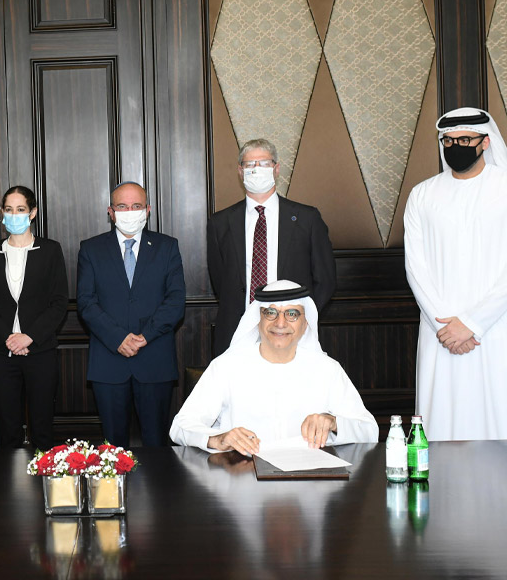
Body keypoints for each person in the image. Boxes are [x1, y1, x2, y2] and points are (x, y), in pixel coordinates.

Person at [170, 280, 377, 454]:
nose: (280, 323)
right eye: (271, 312)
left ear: (305, 324)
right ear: (258, 320)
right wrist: (218, 438)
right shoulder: (226, 367)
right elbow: (180, 426)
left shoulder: (327, 369)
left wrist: (333, 422)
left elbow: (369, 430)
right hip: (242, 481)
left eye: (292, 314)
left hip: (309, 486)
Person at [404, 107, 507, 441]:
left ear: (485, 142)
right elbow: (415, 267)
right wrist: (446, 327)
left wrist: (473, 322)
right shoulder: (423, 194)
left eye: (465, 139)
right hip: (442, 335)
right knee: (443, 422)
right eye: (448, 140)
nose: (455, 146)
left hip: (495, 329)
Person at [77, 181, 186, 447]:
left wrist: (144, 336)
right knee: (113, 448)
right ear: (110, 212)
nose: (130, 211)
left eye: (136, 206)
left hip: (154, 360)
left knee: (156, 446)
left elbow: (175, 301)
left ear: (148, 210)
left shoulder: (167, 246)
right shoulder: (91, 249)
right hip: (108, 361)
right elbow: (86, 303)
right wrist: (119, 338)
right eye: (122, 206)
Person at [207, 138, 336, 356]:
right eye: (249, 165)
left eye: (264, 164)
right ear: (240, 171)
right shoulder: (220, 223)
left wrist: (298, 316)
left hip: (292, 332)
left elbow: (326, 279)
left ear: (276, 169)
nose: (256, 170)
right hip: (237, 332)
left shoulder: (307, 219)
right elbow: (221, 281)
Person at [0, 186, 68, 449]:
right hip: (2, 355)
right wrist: (8, 338)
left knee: (42, 428)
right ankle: (9, 487)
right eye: (9, 209)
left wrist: (29, 337)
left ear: (33, 212)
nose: (14, 215)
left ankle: (44, 487)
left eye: (21, 209)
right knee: (7, 429)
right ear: (2, 213)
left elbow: (59, 303)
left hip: (41, 352)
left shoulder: (50, 250)